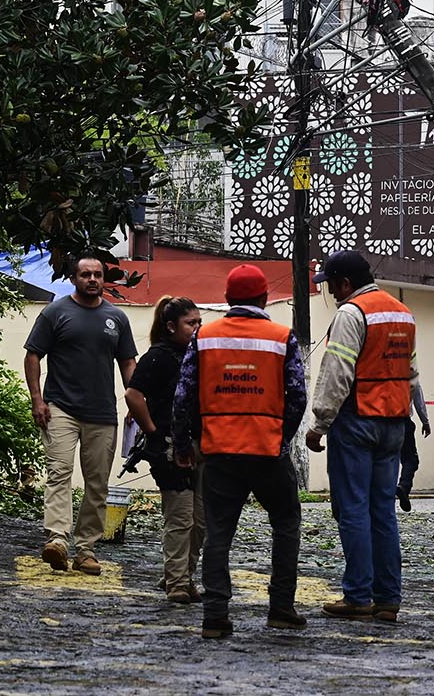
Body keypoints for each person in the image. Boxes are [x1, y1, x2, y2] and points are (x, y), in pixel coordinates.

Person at [172, 264, 307, 639]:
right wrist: (282, 437)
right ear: (264, 298)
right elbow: (297, 396)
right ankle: (281, 607)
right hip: (267, 451)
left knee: (218, 533)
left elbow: (183, 395)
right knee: (285, 523)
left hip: (220, 452)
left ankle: (215, 615)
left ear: (228, 299)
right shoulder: (282, 337)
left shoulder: (205, 336)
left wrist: (184, 444)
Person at [306, 250, 418, 623]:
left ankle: (357, 596)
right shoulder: (402, 313)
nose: (332, 294)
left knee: (352, 508)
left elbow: (337, 371)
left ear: (345, 283)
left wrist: (319, 423)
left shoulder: (352, 313)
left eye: (332, 286)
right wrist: (419, 416)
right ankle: (387, 598)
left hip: (358, 419)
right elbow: (411, 372)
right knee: (382, 510)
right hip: (394, 422)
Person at [24, 253, 138, 576]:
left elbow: (128, 363)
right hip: (60, 407)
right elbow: (33, 356)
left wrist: (135, 400)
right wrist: (37, 398)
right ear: (74, 279)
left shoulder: (117, 318)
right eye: (85, 274)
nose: (92, 280)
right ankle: (57, 540)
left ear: (104, 279)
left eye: (98, 275)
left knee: (97, 483)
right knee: (59, 471)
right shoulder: (55, 313)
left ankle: (85, 549)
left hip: (102, 413)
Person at [123, 295, 204, 604]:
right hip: (170, 445)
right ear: (171, 326)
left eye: (199, 322)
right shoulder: (159, 356)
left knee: (201, 521)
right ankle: (178, 582)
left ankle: (183, 574)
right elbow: (134, 394)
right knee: (181, 516)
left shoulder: (196, 355)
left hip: (199, 443)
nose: (196, 328)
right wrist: (153, 432)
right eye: (190, 323)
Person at [396, 382, 432, 513]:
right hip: (403, 422)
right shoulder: (410, 377)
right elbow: (419, 402)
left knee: (384, 460)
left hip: (380, 421)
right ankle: (404, 487)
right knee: (411, 460)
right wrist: (425, 422)